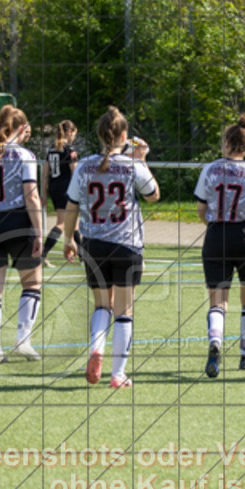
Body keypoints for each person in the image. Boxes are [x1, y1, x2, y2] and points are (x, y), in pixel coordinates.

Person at [63, 106, 160, 389]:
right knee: (124, 310)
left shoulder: (84, 165)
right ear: (124, 136)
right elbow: (154, 195)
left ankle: (97, 347)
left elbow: (71, 205)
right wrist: (142, 160)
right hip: (126, 243)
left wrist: (69, 238)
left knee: (102, 305)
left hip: (94, 244)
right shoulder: (131, 165)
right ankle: (118, 374)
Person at [195, 113, 245, 377]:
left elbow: (201, 209)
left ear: (226, 143)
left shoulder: (210, 169)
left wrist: (215, 225)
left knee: (218, 300)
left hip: (216, 236)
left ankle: (215, 342)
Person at [0, 105, 44, 364]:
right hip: (17, 220)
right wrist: (39, 232)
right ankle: (23, 341)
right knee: (32, 284)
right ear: (22, 128)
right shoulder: (25, 155)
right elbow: (31, 196)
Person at [40, 119, 79, 266]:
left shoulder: (51, 149)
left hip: (54, 187)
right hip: (66, 188)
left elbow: (45, 173)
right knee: (62, 223)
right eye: (74, 133)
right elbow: (75, 172)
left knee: (75, 224)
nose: (74, 137)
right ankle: (43, 254)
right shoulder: (70, 150)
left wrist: (44, 194)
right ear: (69, 132)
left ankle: (84, 257)